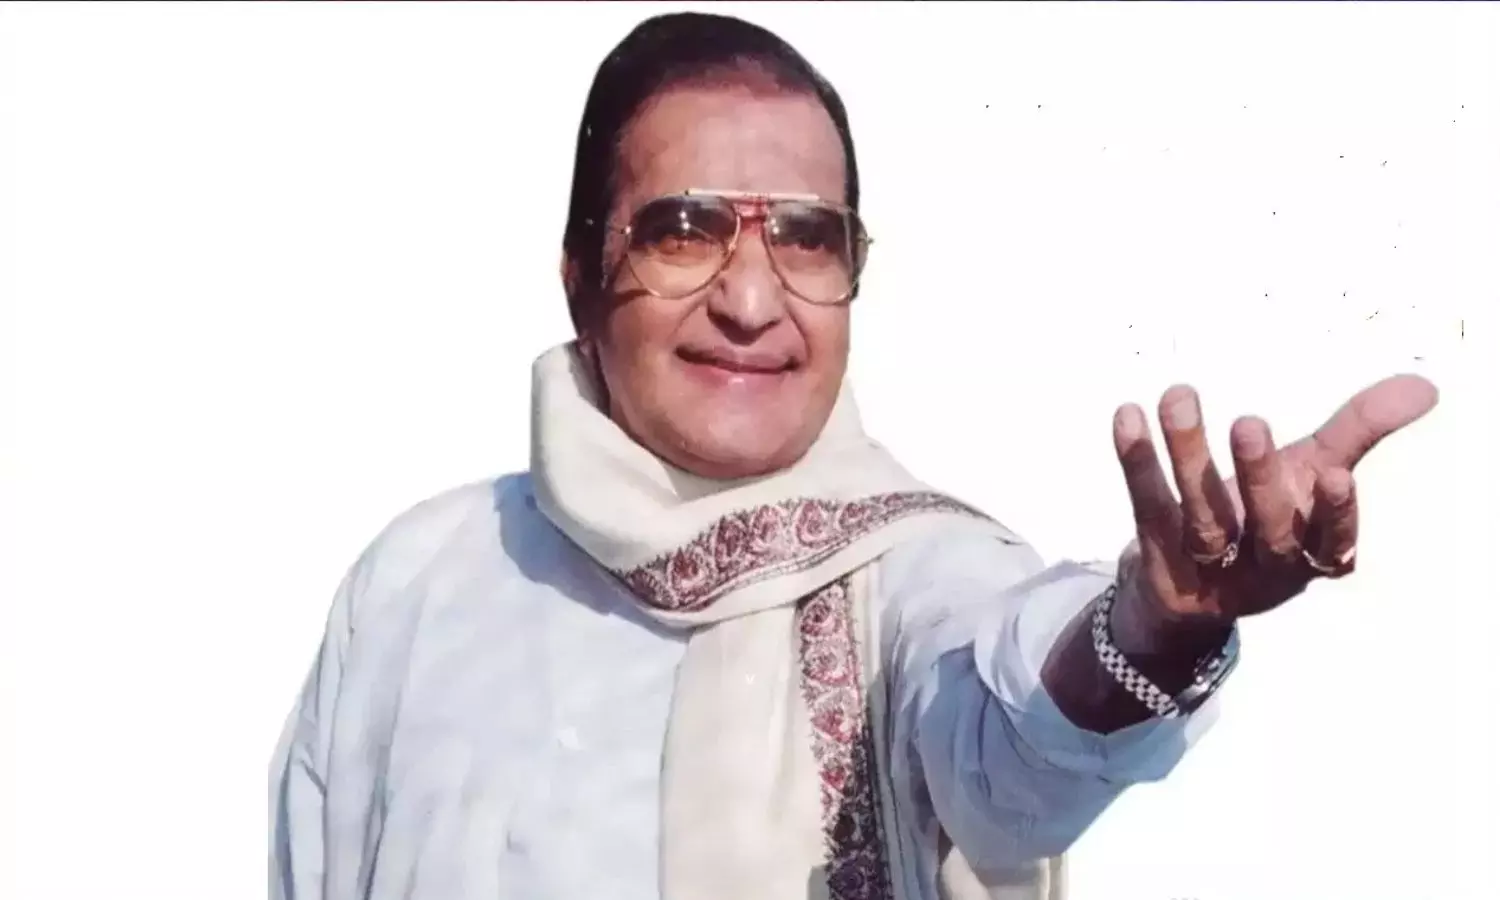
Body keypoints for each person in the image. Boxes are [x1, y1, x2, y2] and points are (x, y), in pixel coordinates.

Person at [268, 11, 1438, 900]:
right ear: (580, 277)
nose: (750, 300)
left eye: (806, 238)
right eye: (684, 230)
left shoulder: (909, 576)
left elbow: (1015, 740)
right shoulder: (421, 581)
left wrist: (1158, 629)